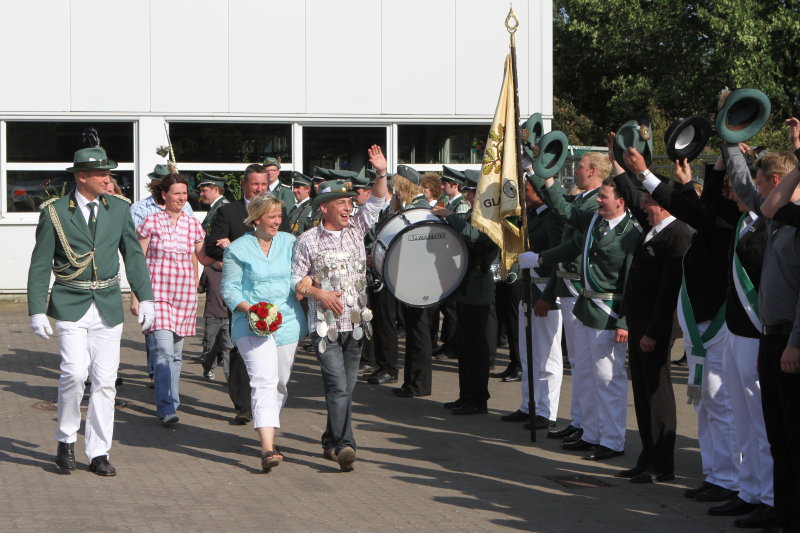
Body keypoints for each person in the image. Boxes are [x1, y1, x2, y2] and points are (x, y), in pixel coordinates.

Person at [28, 145, 155, 476]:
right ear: (82, 176)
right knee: (74, 373)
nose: (107, 179)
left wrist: (146, 297)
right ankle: (66, 438)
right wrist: (36, 309)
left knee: (105, 381)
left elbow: (133, 254)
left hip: (108, 305)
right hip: (70, 302)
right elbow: (40, 262)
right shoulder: (56, 212)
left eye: (108, 174)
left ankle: (99, 451)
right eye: (101, 174)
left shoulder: (119, 208)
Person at [624, 146, 738, 502]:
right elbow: (700, 208)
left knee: (721, 405)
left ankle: (731, 480)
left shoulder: (726, 224)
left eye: (729, 187)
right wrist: (708, 170)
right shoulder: (714, 220)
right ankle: (716, 475)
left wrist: (645, 174)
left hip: (717, 325)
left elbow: (695, 211)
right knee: (705, 405)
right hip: (699, 325)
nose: (729, 193)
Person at [525, 172, 640, 460]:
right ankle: (591, 433)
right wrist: (543, 176)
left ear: (621, 201)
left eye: (604, 196)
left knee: (608, 380)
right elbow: (564, 211)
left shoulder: (631, 233)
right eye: (599, 195)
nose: (598, 200)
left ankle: (612, 440)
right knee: (587, 374)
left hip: (609, 314)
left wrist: (626, 321)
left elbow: (633, 282)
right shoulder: (594, 223)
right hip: (587, 309)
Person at [291, 145, 388, 472]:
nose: (348, 207)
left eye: (349, 202)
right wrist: (319, 293)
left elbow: (376, 201)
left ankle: (330, 439)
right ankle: (346, 445)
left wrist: (381, 173)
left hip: (356, 325)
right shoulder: (308, 240)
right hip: (325, 328)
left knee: (345, 389)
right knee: (337, 387)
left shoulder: (357, 229)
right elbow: (296, 280)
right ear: (325, 208)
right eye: (342, 203)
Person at [725, 129, 800, 531]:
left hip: (791, 338)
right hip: (771, 337)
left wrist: (795, 342)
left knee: (793, 435)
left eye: (762, 181)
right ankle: (781, 511)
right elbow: (762, 200)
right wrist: (728, 138)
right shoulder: (780, 217)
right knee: (777, 435)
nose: (754, 191)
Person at [608, 140, 692, 483]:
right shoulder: (652, 230)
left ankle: (663, 464)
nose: (642, 205)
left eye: (648, 200)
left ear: (662, 204)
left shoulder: (677, 235)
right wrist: (619, 161)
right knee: (642, 394)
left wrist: (654, 333)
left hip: (654, 329)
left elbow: (668, 293)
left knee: (657, 394)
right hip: (639, 325)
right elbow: (631, 192)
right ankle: (648, 456)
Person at [221, 193, 307, 472]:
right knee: (263, 381)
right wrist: (253, 310)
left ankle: (269, 431)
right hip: (251, 323)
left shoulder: (290, 242)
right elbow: (230, 290)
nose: (278, 221)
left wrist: (307, 282)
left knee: (280, 383)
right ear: (257, 219)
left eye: (280, 216)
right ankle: (267, 448)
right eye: (272, 217)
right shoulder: (237, 249)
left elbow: (301, 273)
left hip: (287, 322)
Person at [204, 163, 289, 424]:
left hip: (276, 296)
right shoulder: (228, 212)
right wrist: (232, 248)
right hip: (242, 295)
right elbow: (212, 247)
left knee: (274, 353)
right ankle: (243, 404)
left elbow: (286, 245)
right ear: (244, 185)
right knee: (241, 349)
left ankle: (267, 401)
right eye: (255, 184)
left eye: (264, 184)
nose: (260, 189)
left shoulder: (278, 211)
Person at [535, 152, 606, 442]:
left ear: (593, 172)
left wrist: (547, 177)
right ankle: (579, 420)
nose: (576, 170)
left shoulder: (593, 202)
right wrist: (539, 173)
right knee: (578, 362)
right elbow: (559, 205)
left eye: (580, 166)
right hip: (568, 285)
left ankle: (588, 424)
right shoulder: (583, 199)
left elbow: (564, 213)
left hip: (580, 287)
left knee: (585, 363)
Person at [136, 173, 205, 425]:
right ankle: (165, 407)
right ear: (164, 195)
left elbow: (202, 256)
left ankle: (173, 403)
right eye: (176, 193)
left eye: (184, 193)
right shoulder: (150, 222)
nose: (181, 198)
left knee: (176, 354)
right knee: (164, 352)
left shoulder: (193, 224)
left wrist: (229, 252)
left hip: (185, 296)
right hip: (158, 295)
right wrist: (136, 296)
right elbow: (137, 261)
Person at [500, 176, 564, 429]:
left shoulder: (553, 220)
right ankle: (529, 404)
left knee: (548, 356)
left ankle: (547, 411)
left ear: (539, 192)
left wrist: (548, 296)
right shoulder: (533, 217)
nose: (523, 194)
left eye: (526, 190)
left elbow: (557, 261)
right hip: (528, 291)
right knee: (528, 354)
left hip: (545, 292)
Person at [434, 192, 499, 415]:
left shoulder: (492, 216)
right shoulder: (476, 213)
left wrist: (450, 215)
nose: (469, 195)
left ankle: (478, 399)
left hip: (478, 288)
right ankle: (466, 395)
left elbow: (474, 235)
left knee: (476, 348)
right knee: (465, 346)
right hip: (466, 285)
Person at [197, 172, 232, 380]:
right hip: (214, 265)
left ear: (216, 190)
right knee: (213, 336)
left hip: (223, 266)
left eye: (204, 190)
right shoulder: (214, 208)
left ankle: (227, 369)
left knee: (226, 331)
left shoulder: (223, 208)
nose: (201, 193)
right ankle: (214, 358)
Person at [287, 171, 313, 236]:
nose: (294, 190)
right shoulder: (295, 207)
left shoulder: (311, 207)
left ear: (307, 189)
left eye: (298, 187)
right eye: (294, 187)